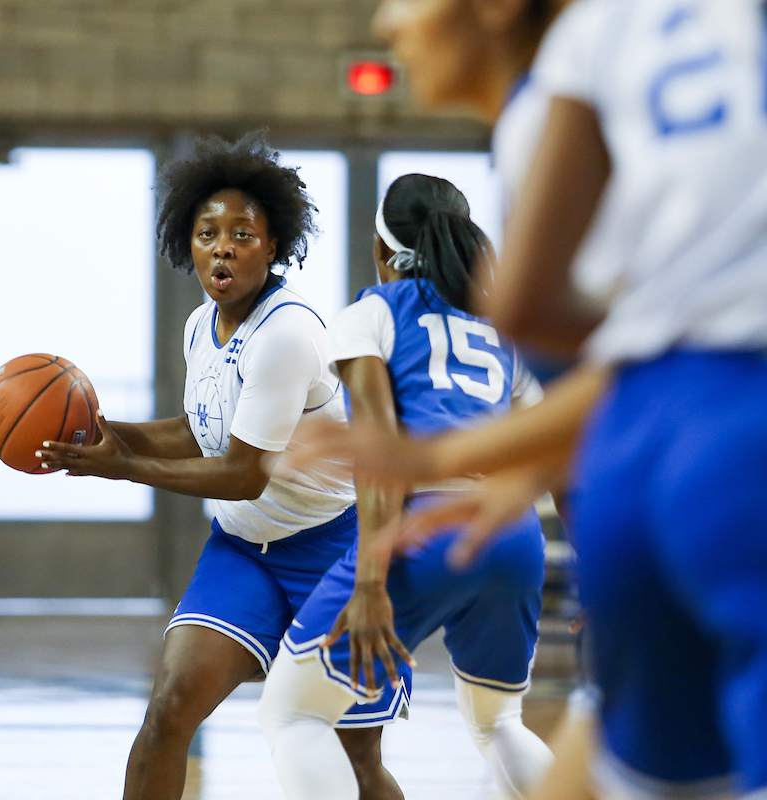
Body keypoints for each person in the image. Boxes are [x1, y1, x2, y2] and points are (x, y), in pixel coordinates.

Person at [310, 0, 767, 797]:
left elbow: (544, 318)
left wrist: (450, 456)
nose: (386, 22)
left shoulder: (569, 73)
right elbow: (641, 343)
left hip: (651, 454)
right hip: (700, 435)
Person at [39, 132, 393, 799]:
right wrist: (103, 433)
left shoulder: (288, 332)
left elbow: (241, 471)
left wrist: (122, 468)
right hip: (243, 552)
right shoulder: (201, 325)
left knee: (355, 762)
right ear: (187, 245)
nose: (222, 246)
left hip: (332, 555)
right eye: (207, 234)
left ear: (276, 245)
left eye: (242, 233)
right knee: (170, 708)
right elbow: (200, 431)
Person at [257, 174, 552, 800]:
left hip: (429, 529)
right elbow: (559, 459)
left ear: (382, 252)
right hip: (514, 535)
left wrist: (369, 585)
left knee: (293, 714)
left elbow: (379, 457)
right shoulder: (500, 330)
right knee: (499, 724)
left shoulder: (371, 315)